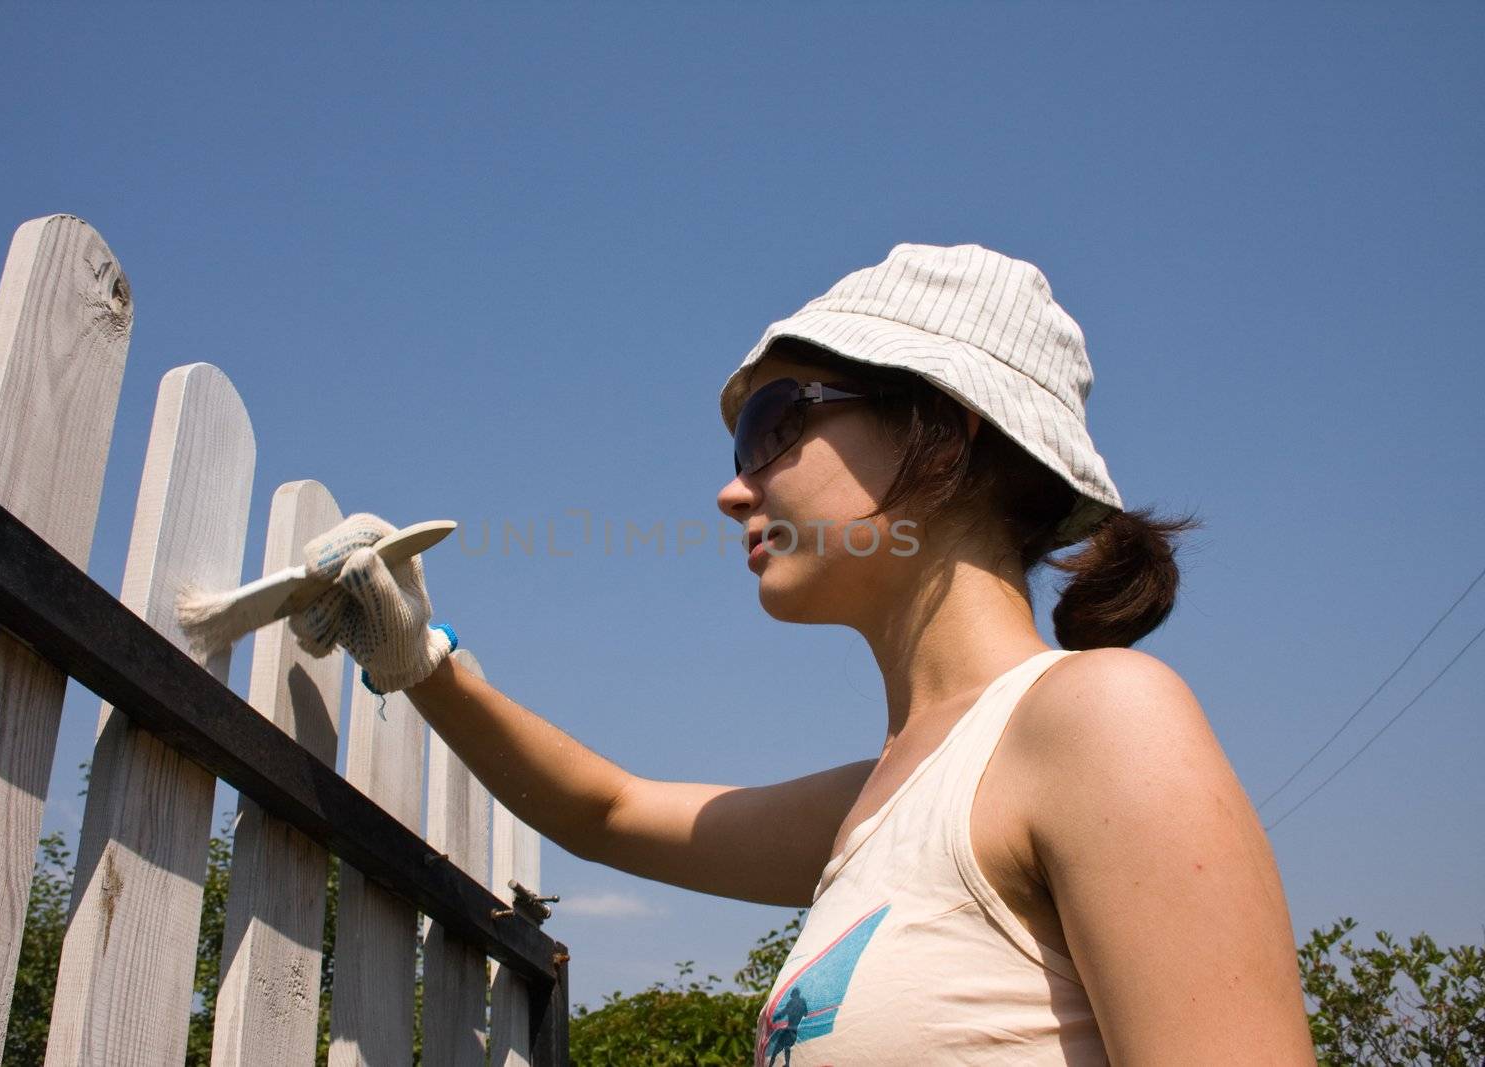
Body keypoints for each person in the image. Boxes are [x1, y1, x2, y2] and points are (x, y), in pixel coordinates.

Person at [289, 244, 1317, 1064]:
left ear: (944, 431)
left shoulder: (1098, 717)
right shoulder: (878, 802)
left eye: (774, 428)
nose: (734, 490)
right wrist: (419, 655)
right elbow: (602, 809)